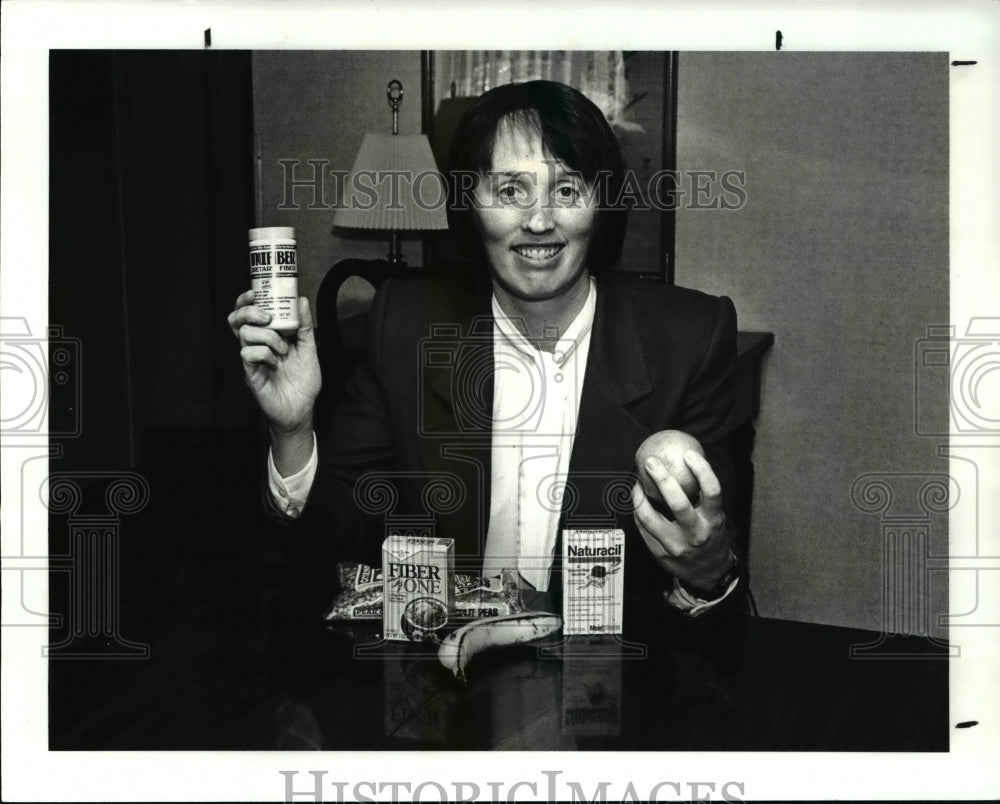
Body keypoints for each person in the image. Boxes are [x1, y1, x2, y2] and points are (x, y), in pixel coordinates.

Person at [229, 80, 746, 637]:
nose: (540, 221)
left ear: (601, 205)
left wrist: (707, 571)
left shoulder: (691, 337)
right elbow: (344, 535)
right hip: (446, 695)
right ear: (469, 205)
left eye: (567, 190)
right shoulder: (405, 323)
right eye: (510, 190)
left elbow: (715, 599)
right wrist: (293, 431)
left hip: (616, 689)